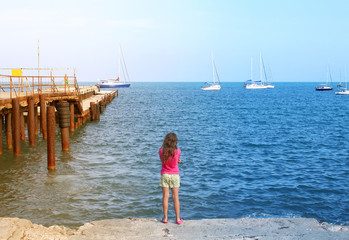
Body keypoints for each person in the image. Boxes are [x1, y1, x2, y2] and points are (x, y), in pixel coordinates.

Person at [159, 132, 183, 224]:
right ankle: (177, 219)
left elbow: (163, 161)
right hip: (174, 175)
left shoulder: (161, 151)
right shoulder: (178, 151)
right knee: (175, 197)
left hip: (165, 174)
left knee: (165, 197)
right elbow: (176, 159)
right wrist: (178, 160)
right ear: (175, 142)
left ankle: (165, 218)